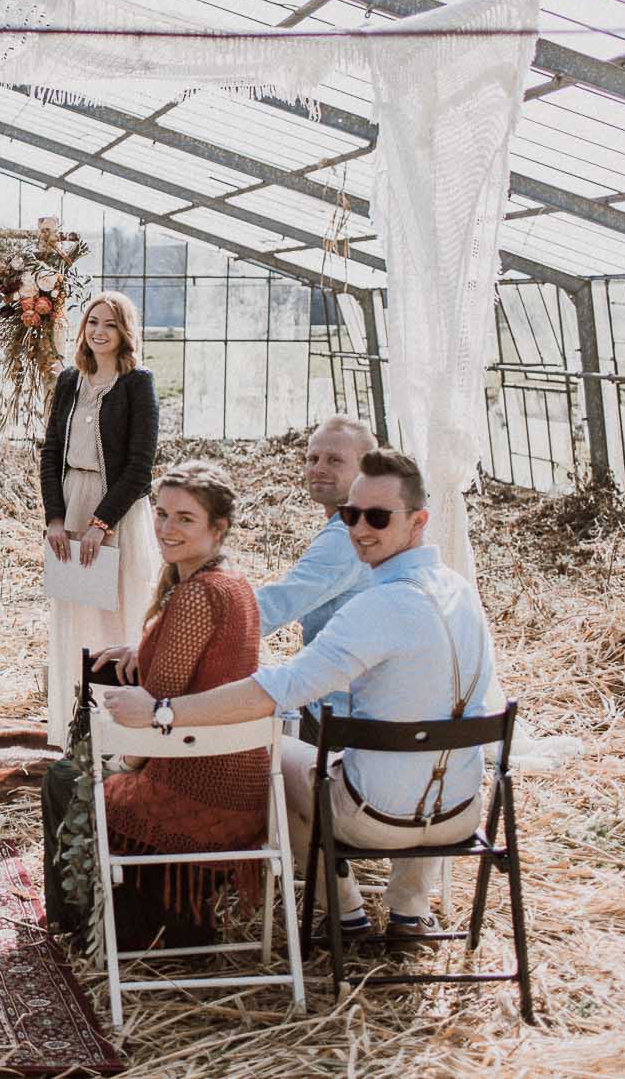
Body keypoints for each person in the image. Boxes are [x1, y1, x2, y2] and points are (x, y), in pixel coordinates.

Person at [102, 449, 495, 941]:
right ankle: (409, 909)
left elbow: (277, 690)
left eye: (377, 516)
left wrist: (162, 711)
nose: (359, 529)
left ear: (419, 521)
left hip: (378, 819)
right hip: (463, 814)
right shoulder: (462, 592)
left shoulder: (376, 606)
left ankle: (346, 909)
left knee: (269, 756)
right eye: (351, 515)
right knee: (428, 736)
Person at [41, 462, 266, 946]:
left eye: (185, 518)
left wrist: (119, 764)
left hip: (197, 786)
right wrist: (144, 652)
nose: (166, 528)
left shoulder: (194, 598)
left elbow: (151, 716)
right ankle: (153, 911)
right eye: (161, 514)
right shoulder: (235, 584)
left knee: (64, 777)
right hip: (244, 782)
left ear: (218, 528)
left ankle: (90, 927)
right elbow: (207, 668)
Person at [39, 290, 162, 747]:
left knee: (117, 613)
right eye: (92, 322)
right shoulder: (70, 381)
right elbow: (51, 452)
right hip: (72, 504)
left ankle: (122, 731)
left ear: (124, 331)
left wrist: (102, 523)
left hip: (118, 510)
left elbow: (140, 465)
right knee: (77, 614)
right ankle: (77, 725)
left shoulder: (137, 383)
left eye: (109, 324)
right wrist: (56, 517)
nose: (99, 331)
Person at [255, 416, 375, 734]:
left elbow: (275, 606)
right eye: (312, 458)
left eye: (334, 460)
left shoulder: (348, 535)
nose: (318, 468)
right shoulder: (367, 523)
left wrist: (187, 630)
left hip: (342, 720)